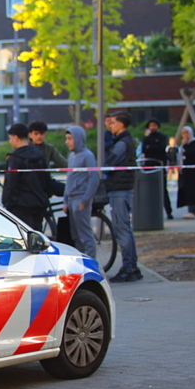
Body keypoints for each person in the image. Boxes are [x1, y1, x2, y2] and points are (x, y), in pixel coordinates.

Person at [106, 112, 141, 283]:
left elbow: (110, 164)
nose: (110, 126)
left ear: (121, 124)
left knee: (122, 229)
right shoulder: (127, 141)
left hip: (119, 189)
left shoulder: (121, 144)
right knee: (126, 229)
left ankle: (128, 268)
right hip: (124, 188)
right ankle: (133, 267)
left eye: (112, 123)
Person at [1, 123, 49, 232]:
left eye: (10, 138)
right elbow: (46, 180)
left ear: (16, 137)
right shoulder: (39, 155)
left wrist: (7, 203)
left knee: (23, 238)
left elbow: (11, 184)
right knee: (37, 236)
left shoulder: (15, 158)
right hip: (39, 203)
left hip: (21, 206)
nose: (10, 141)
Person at [63, 126, 99, 259]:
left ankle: (92, 265)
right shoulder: (71, 156)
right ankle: (81, 262)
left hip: (80, 200)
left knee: (85, 235)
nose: (67, 142)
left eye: (70, 138)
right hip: (71, 200)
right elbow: (69, 178)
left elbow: (94, 179)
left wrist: (85, 200)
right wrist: (65, 200)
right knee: (76, 236)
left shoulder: (87, 156)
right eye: (66, 139)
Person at [141, 118, 172, 220]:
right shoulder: (146, 138)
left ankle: (168, 211)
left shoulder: (162, 137)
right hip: (148, 165)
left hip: (160, 165)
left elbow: (161, 148)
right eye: (150, 126)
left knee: (163, 189)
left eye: (154, 125)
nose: (152, 127)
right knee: (148, 190)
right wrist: (152, 144)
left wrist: (152, 146)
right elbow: (144, 149)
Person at [177, 126, 195, 219]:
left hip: (193, 171)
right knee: (186, 190)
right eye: (183, 133)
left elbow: (193, 153)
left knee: (193, 190)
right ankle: (189, 209)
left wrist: (185, 146)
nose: (185, 135)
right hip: (185, 171)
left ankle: (193, 211)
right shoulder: (183, 144)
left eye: (187, 132)